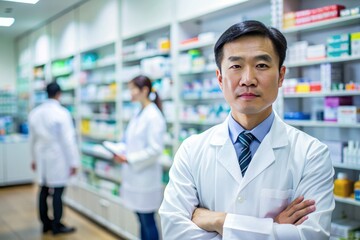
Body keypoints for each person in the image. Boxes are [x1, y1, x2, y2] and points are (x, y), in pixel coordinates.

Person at [159, 20, 335, 239]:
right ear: (220, 78)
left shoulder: (312, 154)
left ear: (281, 76)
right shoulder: (191, 150)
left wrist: (219, 221)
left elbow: (313, 236)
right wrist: (273, 227)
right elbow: (174, 233)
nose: (248, 80)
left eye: (261, 65)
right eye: (236, 66)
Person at [113, 75, 166, 240]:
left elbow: (155, 150)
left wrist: (129, 159)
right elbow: (129, 141)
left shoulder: (153, 116)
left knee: (148, 221)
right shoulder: (139, 112)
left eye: (133, 89)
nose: (130, 93)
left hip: (146, 178)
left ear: (144, 90)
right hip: (135, 176)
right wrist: (120, 151)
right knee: (141, 220)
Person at [29, 82, 79, 235]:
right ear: (59, 94)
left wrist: (33, 158)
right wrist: (74, 162)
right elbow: (68, 140)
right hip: (57, 157)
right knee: (57, 192)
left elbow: (32, 139)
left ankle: (45, 223)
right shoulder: (62, 113)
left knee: (43, 190)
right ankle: (57, 225)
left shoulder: (35, 113)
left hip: (41, 155)